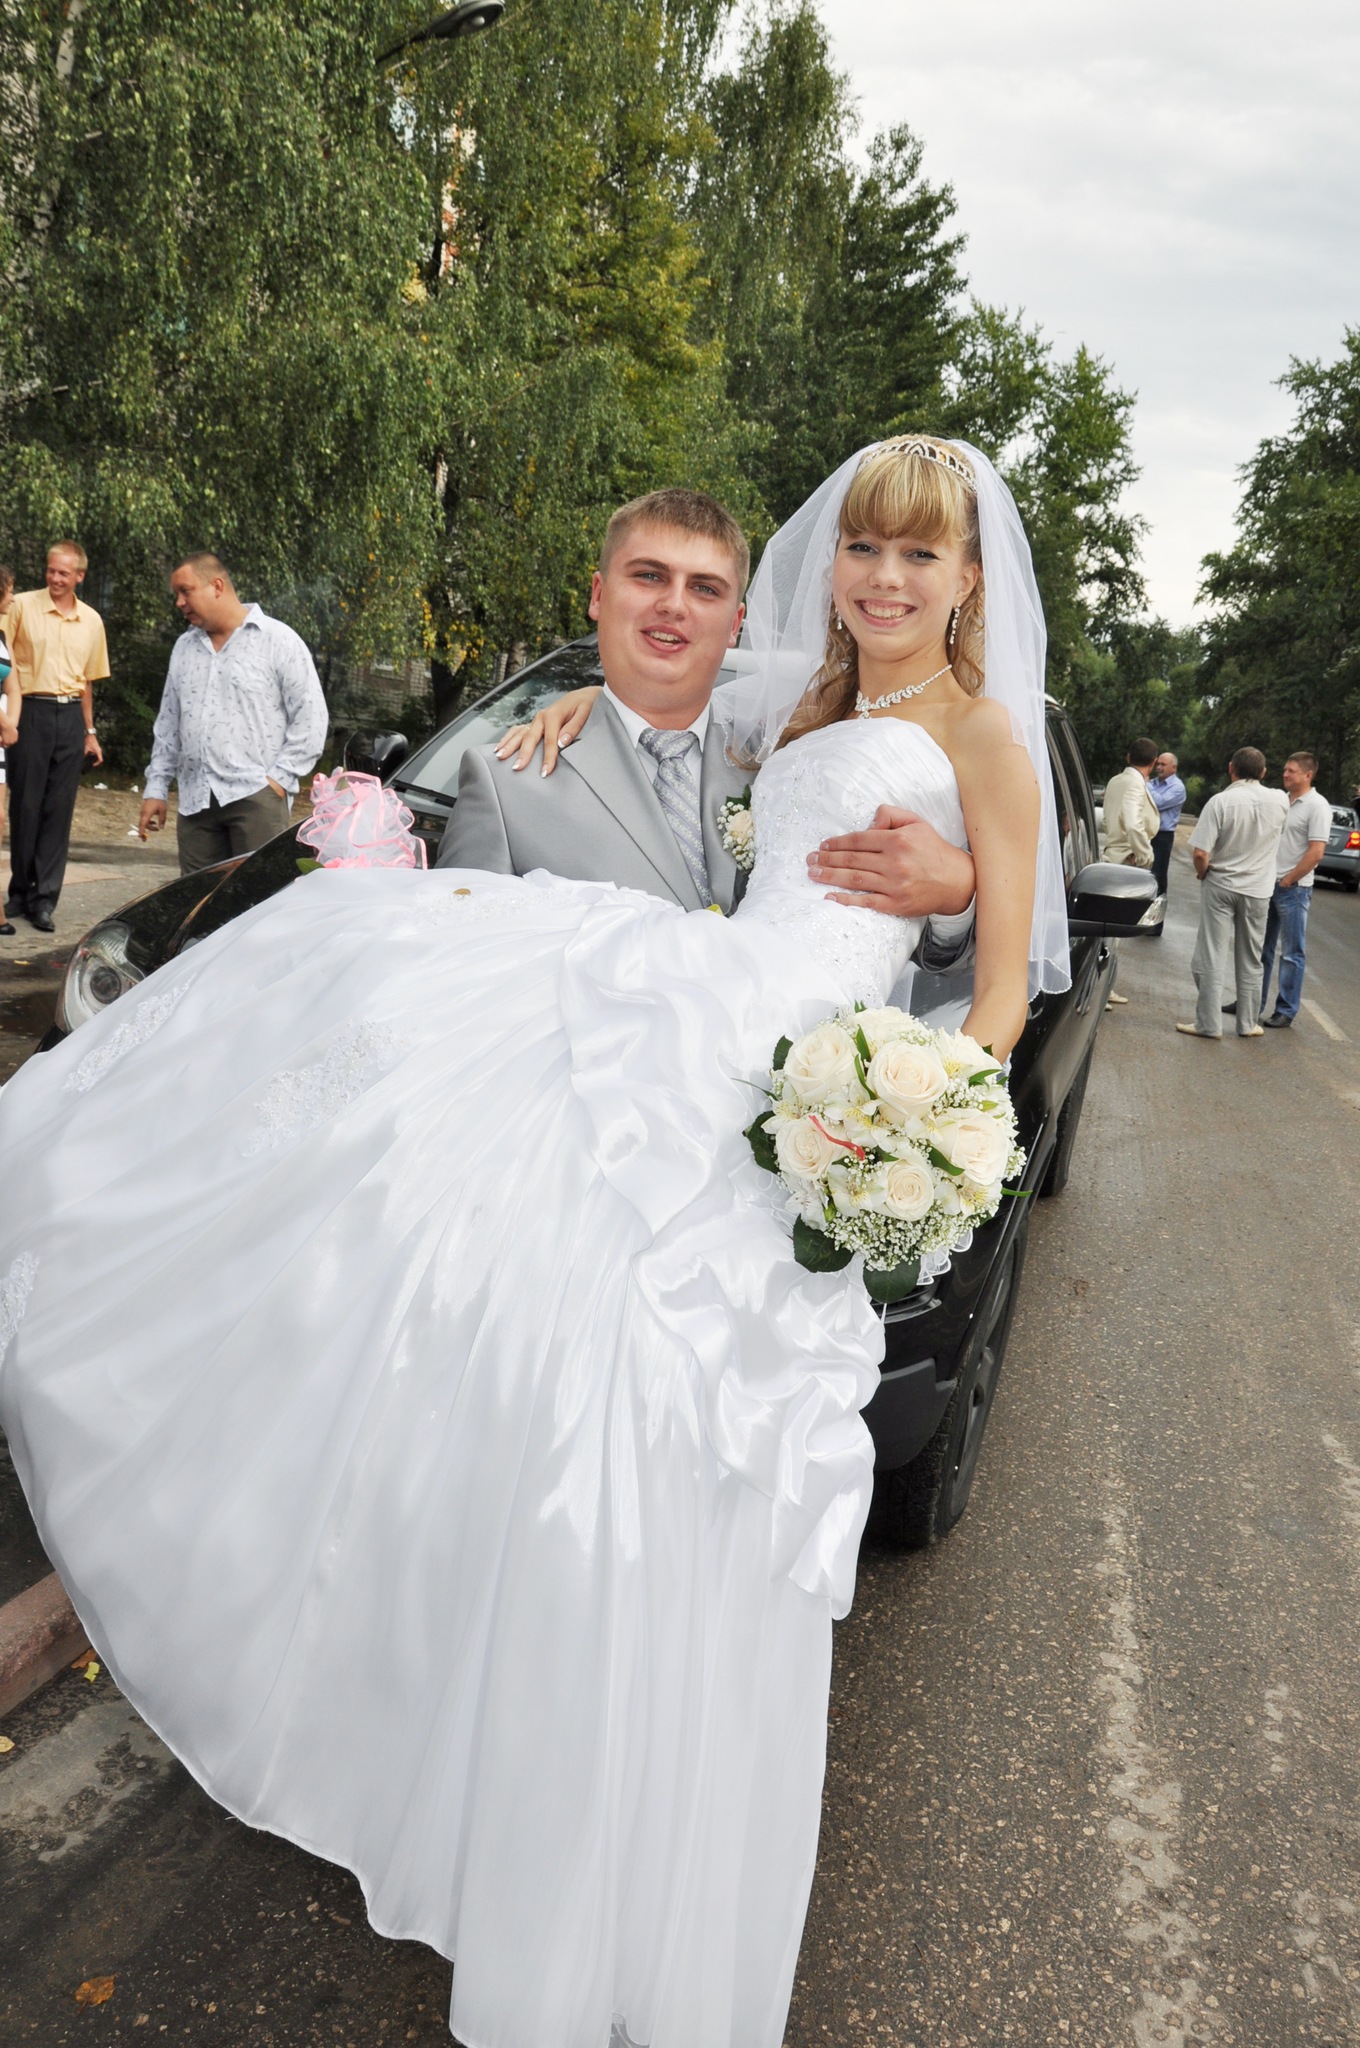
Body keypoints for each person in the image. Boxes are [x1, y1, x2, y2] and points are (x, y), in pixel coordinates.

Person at [0, 438, 1065, 2048]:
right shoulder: (797, 700)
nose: (887, 578)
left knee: (715, 1474)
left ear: (972, 578)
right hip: (698, 1048)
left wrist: (915, 1106)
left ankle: (649, 1895)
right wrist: (565, 710)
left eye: (924, 556)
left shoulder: (984, 730)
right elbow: (679, 673)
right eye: (866, 549)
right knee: (603, 1459)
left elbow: (1000, 984)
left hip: (798, 1098)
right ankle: (556, 1824)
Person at [443, 486, 979, 958]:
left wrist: (956, 895)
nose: (673, 605)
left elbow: (896, 948)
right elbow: (455, 975)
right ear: (599, 595)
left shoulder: (793, 757)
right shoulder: (504, 787)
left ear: (735, 624)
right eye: (649, 576)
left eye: (705, 588)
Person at [139, 552, 329, 873]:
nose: (179, 602)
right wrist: (156, 788)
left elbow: (311, 718)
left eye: (185, 591)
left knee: (256, 896)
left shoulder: (278, 641)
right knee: (197, 898)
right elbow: (169, 723)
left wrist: (278, 781)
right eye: (177, 594)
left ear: (216, 586)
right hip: (196, 801)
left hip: (255, 797)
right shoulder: (184, 647)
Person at [1, 541, 108, 933]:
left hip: (70, 717)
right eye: (51, 570)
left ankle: (45, 899)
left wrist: (90, 732)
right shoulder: (22, 606)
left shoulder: (92, 620)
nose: (55, 578)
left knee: (58, 811)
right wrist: (8, 718)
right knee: (25, 806)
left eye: (64, 573)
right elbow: (4, 660)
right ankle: (19, 892)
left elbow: (87, 682)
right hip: (31, 711)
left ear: (80, 575)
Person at [1177, 747, 1287, 1040]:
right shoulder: (1279, 800)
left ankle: (1208, 1024)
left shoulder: (1220, 802)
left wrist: (1203, 872)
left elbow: (1200, 853)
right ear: (1263, 772)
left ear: (1231, 768)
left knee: (1211, 954)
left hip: (1221, 884)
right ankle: (1248, 1023)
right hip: (1259, 890)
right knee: (1251, 958)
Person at [1249, 750, 1331, 1030]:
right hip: (1267, 884)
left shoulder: (1317, 806)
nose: (1285, 774)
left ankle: (1285, 1009)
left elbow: (1316, 852)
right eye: (1284, 769)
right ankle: (1251, 1002)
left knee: (1292, 953)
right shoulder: (1282, 801)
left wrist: (1288, 880)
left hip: (1293, 889)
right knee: (1260, 948)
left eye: (1291, 771)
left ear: (1308, 775)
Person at [1101, 737, 1160, 868]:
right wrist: (1145, 856)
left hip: (1112, 854)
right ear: (1154, 762)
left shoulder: (1114, 781)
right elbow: (1133, 824)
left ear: (1128, 758)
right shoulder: (1135, 784)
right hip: (1128, 859)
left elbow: (1106, 820)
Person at [0, 566, 18, 937]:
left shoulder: (2, 634)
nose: (13, 597)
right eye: (10, 589)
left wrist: (10, 725)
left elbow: (13, 686)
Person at [1148, 749, 1186, 896]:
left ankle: (1158, 903)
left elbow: (1158, 802)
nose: (1158, 767)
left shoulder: (1178, 788)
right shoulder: (1152, 783)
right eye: (1158, 764)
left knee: (1157, 874)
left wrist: (1145, 785)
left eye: (1163, 764)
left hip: (1162, 836)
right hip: (1147, 833)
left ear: (1173, 768)